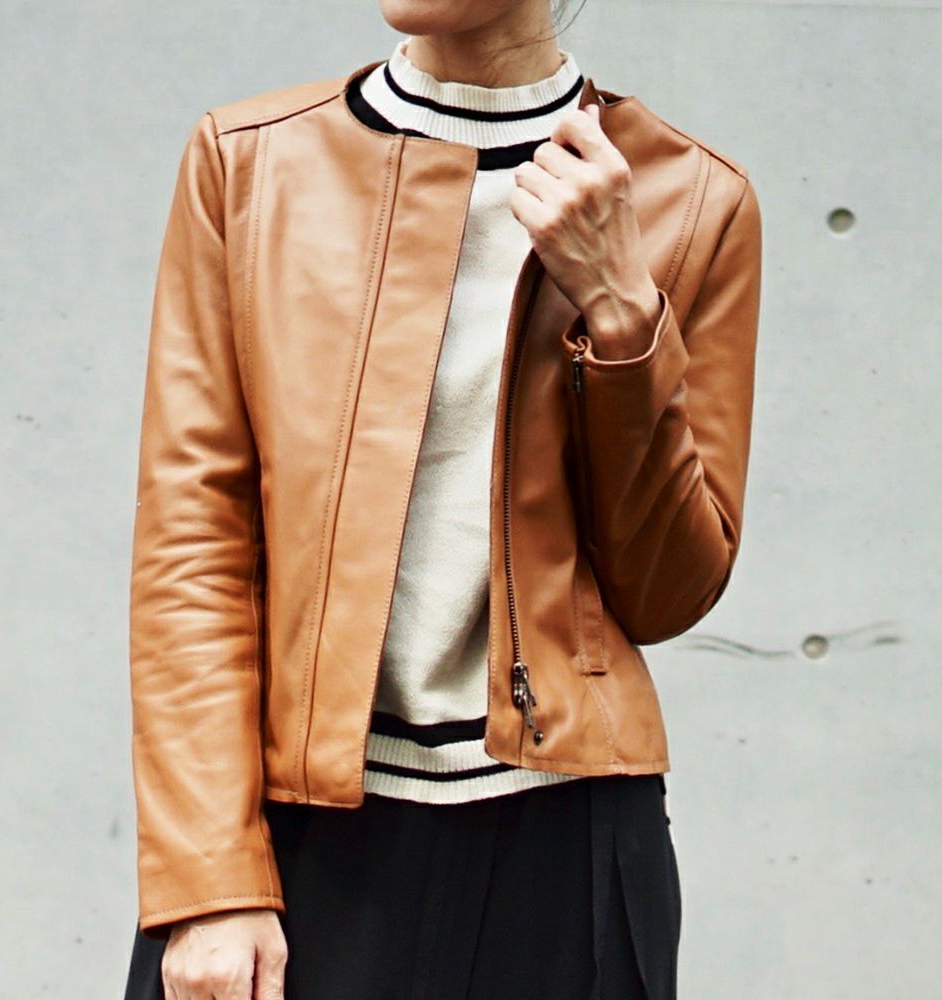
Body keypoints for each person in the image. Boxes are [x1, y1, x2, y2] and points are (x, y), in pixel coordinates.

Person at [123, 0, 762, 997]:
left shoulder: (693, 200)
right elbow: (192, 549)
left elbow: (668, 590)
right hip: (302, 845)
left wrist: (622, 310)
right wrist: (211, 882)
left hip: (565, 852)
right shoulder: (250, 166)